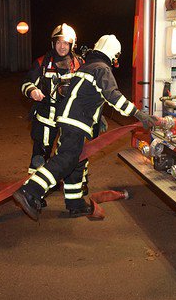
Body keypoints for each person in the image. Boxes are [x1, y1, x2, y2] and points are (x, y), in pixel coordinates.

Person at [13, 34, 160, 220]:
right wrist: (139, 115)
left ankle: (75, 204)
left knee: (77, 161)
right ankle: (30, 191)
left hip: (67, 120)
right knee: (65, 159)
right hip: (76, 123)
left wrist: (98, 117)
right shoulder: (102, 69)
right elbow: (113, 96)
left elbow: (85, 95)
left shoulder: (87, 66)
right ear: (114, 55)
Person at [21, 23, 84, 186]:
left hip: (69, 119)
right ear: (53, 43)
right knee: (40, 155)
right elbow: (26, 83)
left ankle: (75, 184)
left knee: (71, 153)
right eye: (59, 42)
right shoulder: (42, 63)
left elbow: (88, 89)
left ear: (72, 45)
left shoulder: (79, 64)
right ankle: (34, 189)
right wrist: (32, 91)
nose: (62, 47)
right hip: (45, 118)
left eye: (66, 43)